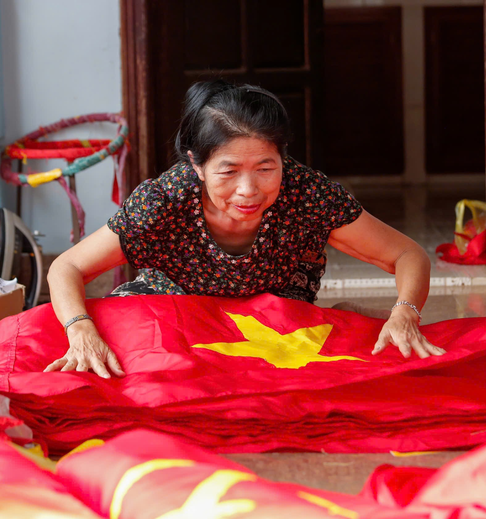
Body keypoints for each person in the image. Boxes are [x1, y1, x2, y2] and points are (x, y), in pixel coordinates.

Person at [45, 80, 445, 378]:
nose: (248, 190)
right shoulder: (163, 199)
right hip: (176, 308)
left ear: (282, 159)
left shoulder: (308, 194)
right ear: (196, 165)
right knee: (124, 367)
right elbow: (67, 268)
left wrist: (405, 312)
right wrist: (79, 330)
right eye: (229, 171)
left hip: (275, 317)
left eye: (266, 168)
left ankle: (340, 321)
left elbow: (407, 255)